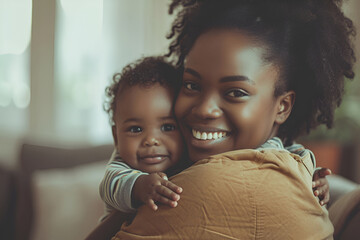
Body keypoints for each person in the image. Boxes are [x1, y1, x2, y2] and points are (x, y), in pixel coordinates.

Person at [108, 0, 355, 239]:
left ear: (283, 106)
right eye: (191, 85)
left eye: (236, 92)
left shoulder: (217, 185)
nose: (205, 109)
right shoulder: (181, 153)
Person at [99, 57, 189, 220]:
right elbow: (110, 187)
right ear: (116, 137)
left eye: (167, 127)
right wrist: (139, 186)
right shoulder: (120, 167)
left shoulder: (187, 162)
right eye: (136, 129)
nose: (151, 140)